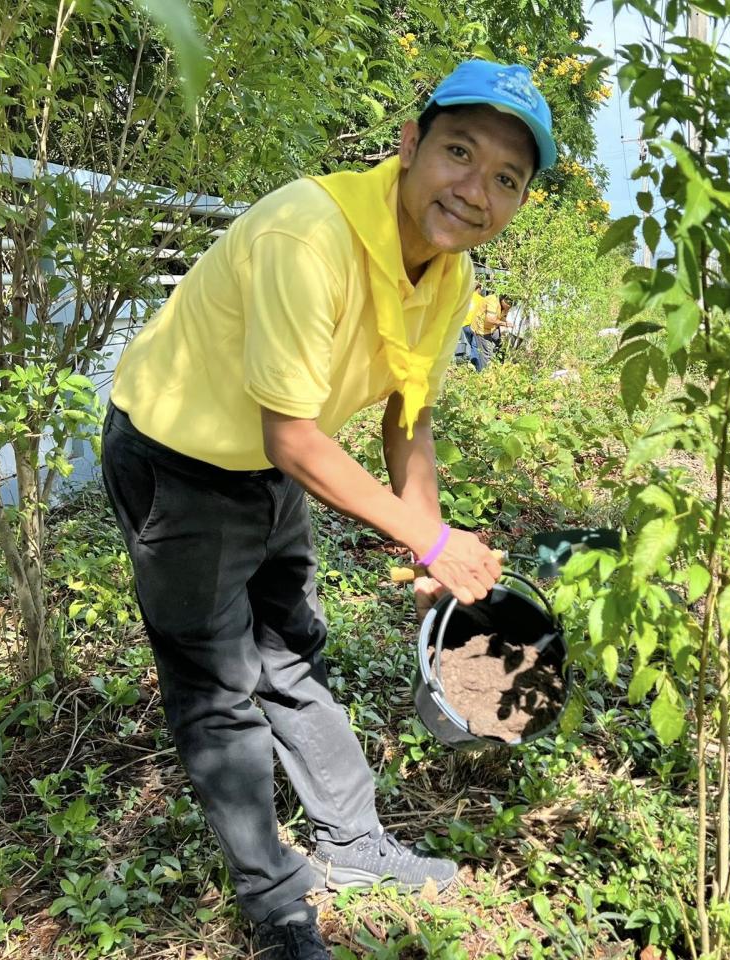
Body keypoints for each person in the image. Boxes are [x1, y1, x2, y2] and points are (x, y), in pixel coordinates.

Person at [99, 60, 556, 960]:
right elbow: (296, 439)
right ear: (409, 145)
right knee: (218, 690)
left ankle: (353, 846)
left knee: (290, 655)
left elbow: (409, 417)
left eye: (507, 177)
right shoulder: (311, 236)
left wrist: (431, 546)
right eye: (459, 152)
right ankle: (275, 905)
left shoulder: (450, 274)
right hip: (179, 461)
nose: (476, 190)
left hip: (267, 474)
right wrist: (425, 535)